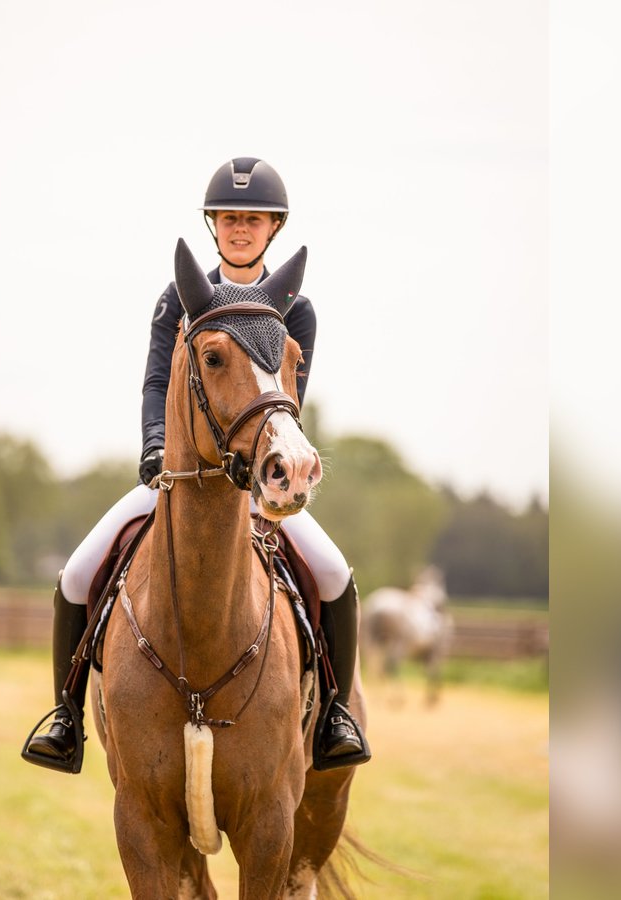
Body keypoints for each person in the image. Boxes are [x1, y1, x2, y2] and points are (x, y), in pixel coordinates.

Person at [27, 157, 367, 772]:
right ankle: (66, 717)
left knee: (335, 576)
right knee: (77, 575)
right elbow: (157, 380)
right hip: (178, 475)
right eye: (230, 218)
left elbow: (290, 396)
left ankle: (334, 717)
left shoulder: (297, 309)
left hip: (259, 478)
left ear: (273, 228)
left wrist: (269, 470)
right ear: (214, 225)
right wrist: (156, 446)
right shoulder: (179, 299)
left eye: (253, 219)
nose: (241, 228)